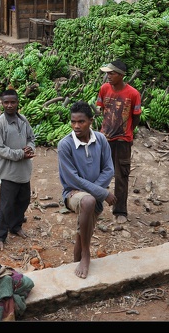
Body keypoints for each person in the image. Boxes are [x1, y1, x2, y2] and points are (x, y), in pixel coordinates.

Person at [58, 101, 115, 279]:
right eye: (73, 122)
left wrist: (96, 190)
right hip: (73, 193)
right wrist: (102, 193)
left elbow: (109, 169)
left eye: (81, 122)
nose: (76, 126)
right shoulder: (65, 145)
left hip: (92, 191)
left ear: (91, 121)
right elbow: (72, 179)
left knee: (83, 230)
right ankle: (86, 255)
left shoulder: (100, 140)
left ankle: (77, 262)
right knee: (88, 202)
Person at [96, 60, 141, 225]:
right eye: (107, 73)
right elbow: (101, 109)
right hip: (104, 139)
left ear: (121, 75)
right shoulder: (104, 89)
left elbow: (136, 117)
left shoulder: (133, 94)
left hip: (123, 141)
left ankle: (120, 210)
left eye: (111, 73)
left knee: (121, 175)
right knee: (99, 173)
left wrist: (127, 131)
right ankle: (95, 206)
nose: (108, 76)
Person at [0, 89, 36, 251]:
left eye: (13, 102)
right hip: (9, 171)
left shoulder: (23, 120)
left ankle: (16, 227)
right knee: (6, 206)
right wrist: (19, 154)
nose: (9, 105)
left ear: (18, 103)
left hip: (24, 171)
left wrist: (30, 148)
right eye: (6, 102)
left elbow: (31, 138)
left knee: (23, 201)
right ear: (2, 104)